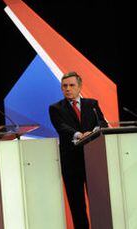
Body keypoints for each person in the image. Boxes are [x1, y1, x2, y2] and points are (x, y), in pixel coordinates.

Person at [49, 71, 107, 229]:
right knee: (77, 206)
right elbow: (61, 127)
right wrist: (79, 134)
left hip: (93, 160)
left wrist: (93, 132)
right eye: (64, 86)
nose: (67, 89)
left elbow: (102, 123)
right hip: (71, 162)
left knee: (99, 202)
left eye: (71, 85)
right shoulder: (55, 108)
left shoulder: (92, 104)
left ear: (80, 86)